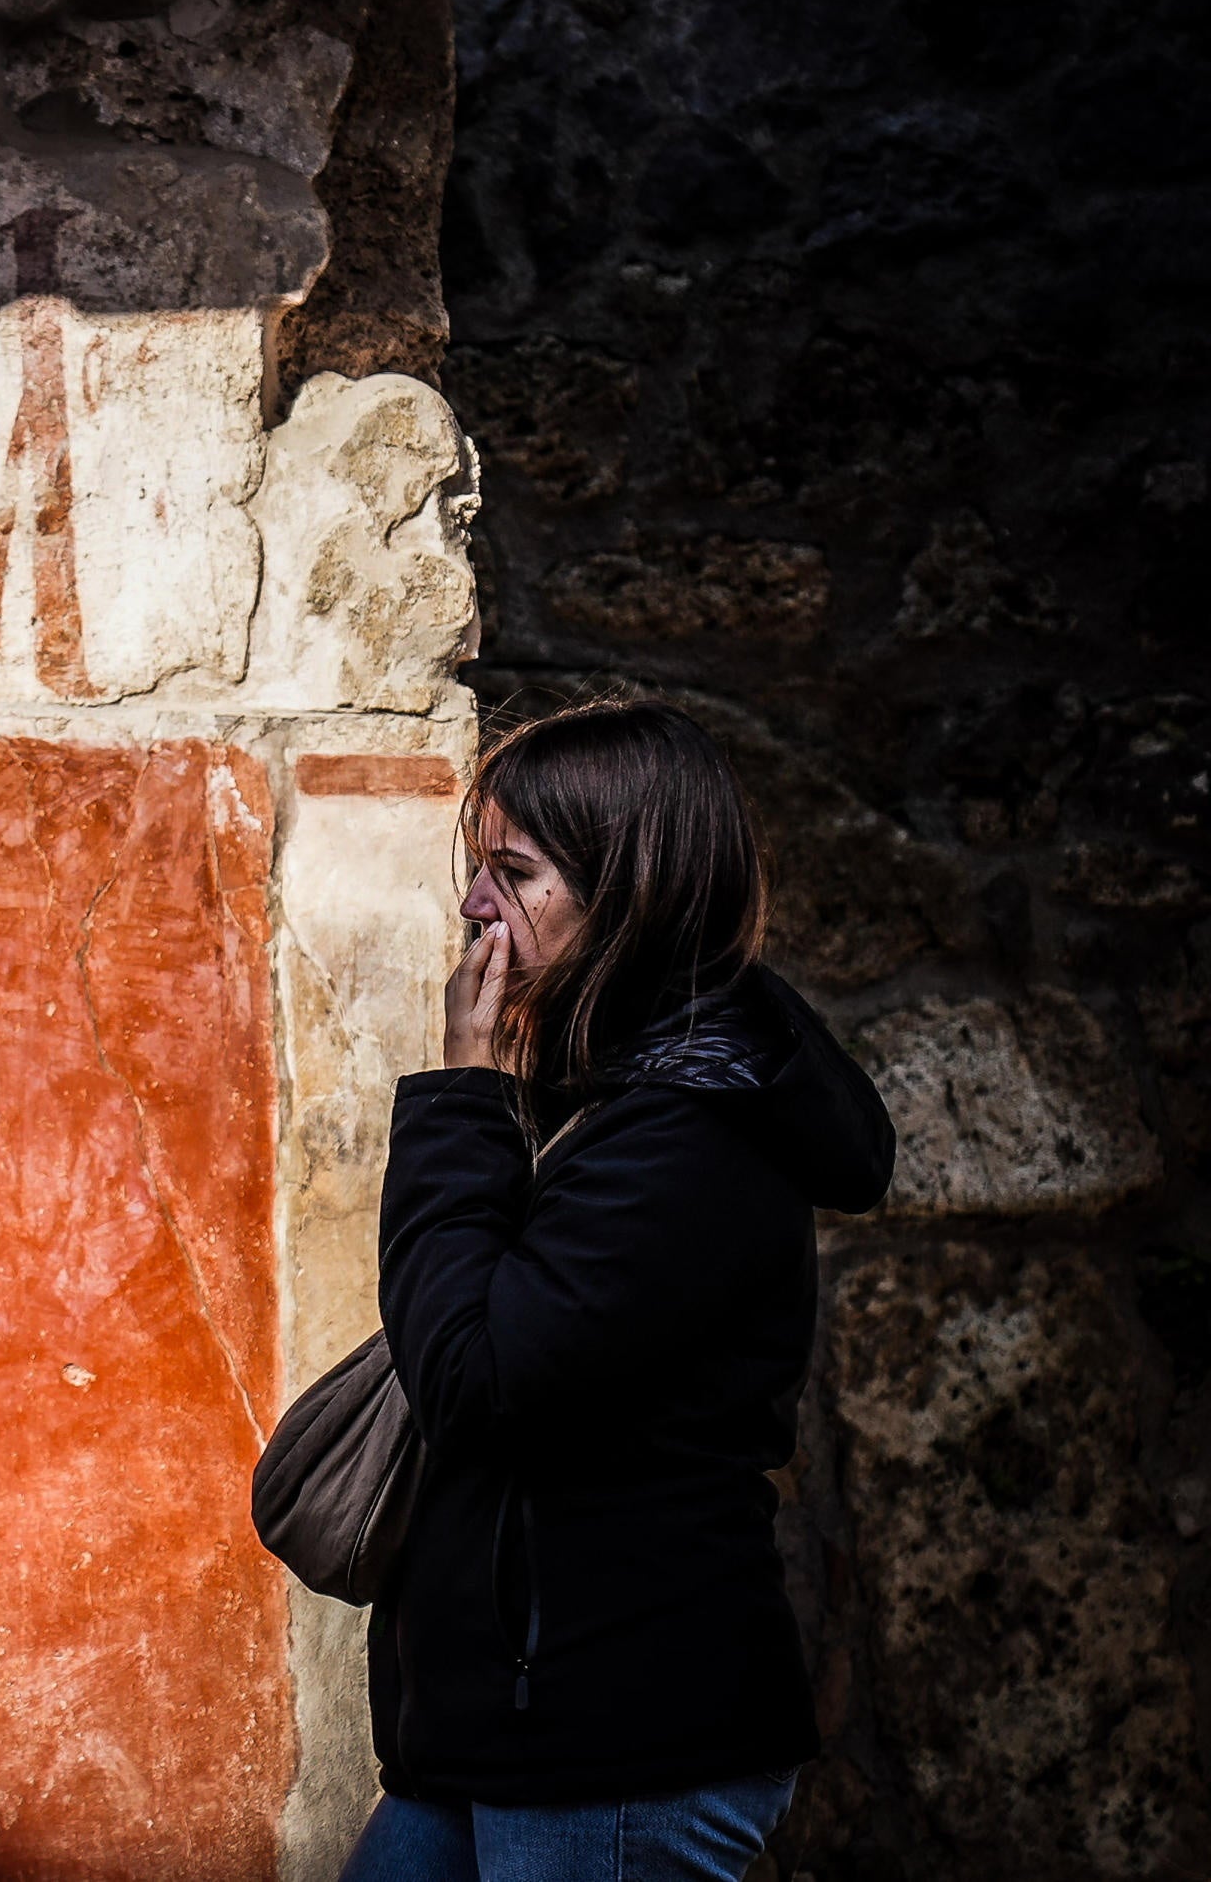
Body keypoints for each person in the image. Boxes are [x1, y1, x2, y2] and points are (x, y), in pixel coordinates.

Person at [341, 700, 896, 1882]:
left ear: (628, 891)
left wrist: (463, 1095)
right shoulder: (614, 1095)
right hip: (502, 1740)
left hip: (617, 1749)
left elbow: (475, 1378)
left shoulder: (692, 1133)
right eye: (476, 868)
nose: (474, 904)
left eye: (516, 872)